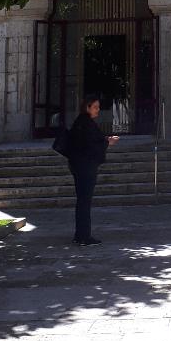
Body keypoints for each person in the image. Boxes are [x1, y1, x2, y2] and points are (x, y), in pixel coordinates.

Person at [67, 94, 119, 245]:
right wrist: (108, 143)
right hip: (84, 168)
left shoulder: (84, 122)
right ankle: (84, 236)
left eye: (98, 107)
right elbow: (90, 146)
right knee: (84, 201)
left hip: (81, 166)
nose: (98, 110)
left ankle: (80, 234)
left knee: (82, 201)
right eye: (95, 107)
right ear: (87, 107)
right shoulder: (85, 123)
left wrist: (105, 141)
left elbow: (92, 141)